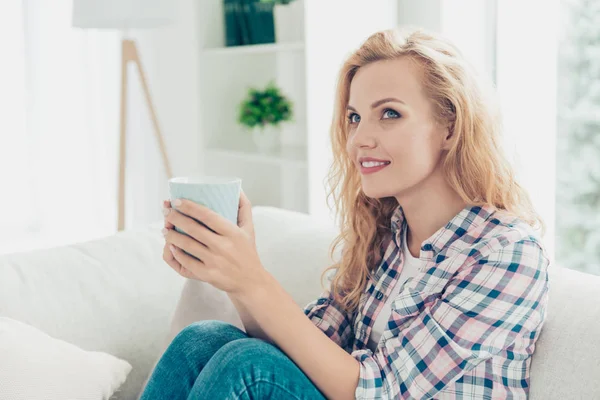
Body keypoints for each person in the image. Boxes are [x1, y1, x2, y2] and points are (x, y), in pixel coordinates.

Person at [140, 28, 550, 400]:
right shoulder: (385, 236)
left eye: (389, 113)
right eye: (355, 117)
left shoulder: (506, 254)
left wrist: (252, 279)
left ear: (450, 127)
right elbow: (306, 348)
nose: (360, 139)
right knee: (203, 339)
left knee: (247, 367)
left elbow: (380, 391)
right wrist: (232, 275)